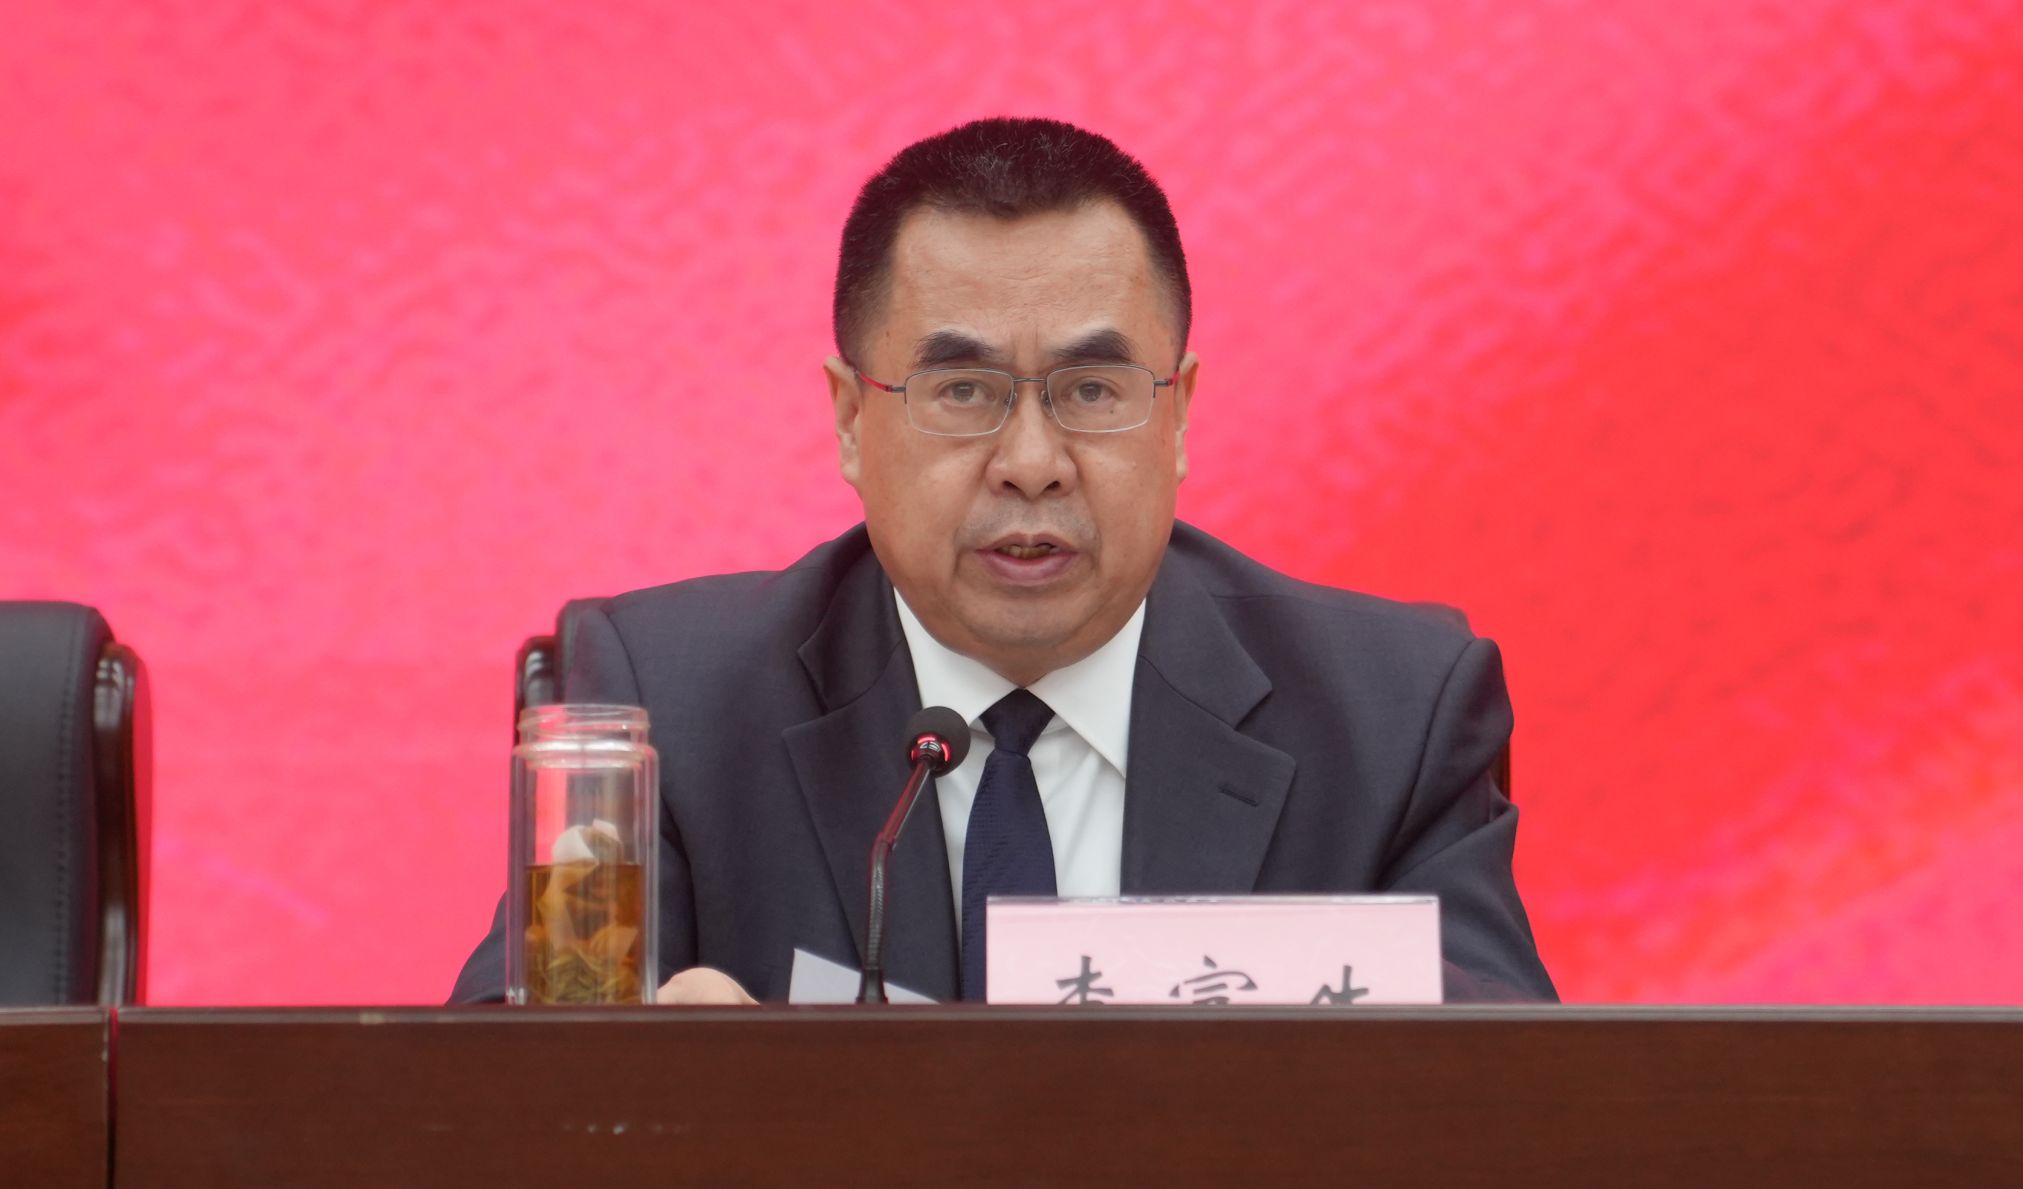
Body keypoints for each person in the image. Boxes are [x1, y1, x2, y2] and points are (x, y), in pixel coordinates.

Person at [452, 117, 1554, 1004]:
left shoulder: (1390, 715)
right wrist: (645, 1093)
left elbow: (1511, 1104)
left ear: (1177, 416)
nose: (1031, 464)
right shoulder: (669, 706)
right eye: (963, 391)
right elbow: (495, 1093)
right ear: (851, 420)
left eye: (1092, 390)